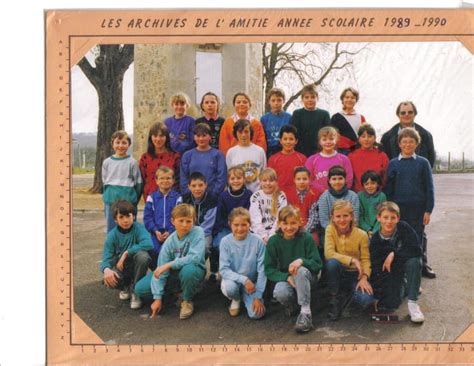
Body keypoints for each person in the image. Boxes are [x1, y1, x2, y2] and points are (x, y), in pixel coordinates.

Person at [134, 204, 206, 320]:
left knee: (189, 270)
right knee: (140, 289)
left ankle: (187, 300)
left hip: (193, 269)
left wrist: (169, 264)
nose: (184, 225)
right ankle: (176, 292)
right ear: (173, 221)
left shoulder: (198, 232)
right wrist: (157, 298)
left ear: (194, 221)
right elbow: (161, 270)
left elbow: (195, 258)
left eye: (188, 221)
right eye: (181, 221)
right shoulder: (169, 241)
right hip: (173, 273)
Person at [385, 127, 435, 279]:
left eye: (411, 142)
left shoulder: (423, 163)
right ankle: (401, 276)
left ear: (416, 144)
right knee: (399, 241)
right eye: (404, 141)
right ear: (399, 144)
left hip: (418, 211)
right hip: (398, 211)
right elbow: (389, 189)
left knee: (416, 242)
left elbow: (429, 188)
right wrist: (388, 210)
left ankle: (416, 277)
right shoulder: (393, 163)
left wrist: (428, 210)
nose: (407, 145)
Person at [264, 206, 323, 333]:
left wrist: (302, 260)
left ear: (300, 222)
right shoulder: (274, 241)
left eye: (293, 223)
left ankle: (306, 313)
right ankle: (293, 304)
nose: (289, 227)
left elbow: (317, 264)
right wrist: (286, 277)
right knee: (280, 292)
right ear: (279, 223)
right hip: (287, 278)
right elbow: (269, 269)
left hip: (307, 277)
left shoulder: (306, 237)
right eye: (285, 223)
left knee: (300, 270)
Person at [370, 202, 425, 323]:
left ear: (398, 218)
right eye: (385, 217)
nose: (389, 221)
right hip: (392, 273)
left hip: (405, 264)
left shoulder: (404, 227)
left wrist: (394, 253)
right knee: (391, 303)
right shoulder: (375, 240)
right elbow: (376, 267)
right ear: (378, 218)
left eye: (393, 218)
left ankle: (413, 304)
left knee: (414, 261)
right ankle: (410, 285)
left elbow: (417, 249)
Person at [325, 200, 374, 320]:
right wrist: (352, 260)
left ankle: (349, 293)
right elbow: (329, 253)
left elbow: (366, 259)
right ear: (333, 217)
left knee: (365, 300)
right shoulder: (330, 229)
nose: (342, 219)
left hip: (355, 274)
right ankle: (334, 299)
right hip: (339, 271)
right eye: (338, 216)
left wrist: (364, 278)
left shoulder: (362, 234)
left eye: (345, 216)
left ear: (352, 216)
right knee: (332, 263)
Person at [99, 200, 153, 310]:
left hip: (136, 265)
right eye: (121, 217)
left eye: (128, 216)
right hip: (122, 268)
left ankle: (136, 292)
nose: (125, 220)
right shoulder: (112, 235)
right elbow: (106, 258)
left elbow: (148, 243)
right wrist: (106, 270)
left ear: (133, 216)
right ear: (115, 219)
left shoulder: (139, 228)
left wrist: (127, 252)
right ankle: (125, 287)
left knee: (143, 256)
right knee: (108, 279)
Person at [219, 208, 267, 319]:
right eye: (236, 225)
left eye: (244, 224)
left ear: (249, 224)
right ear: (229, 224)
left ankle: (248, 296)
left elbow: (262, 270)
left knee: (257, 314)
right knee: (231, 288)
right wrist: (244, 280)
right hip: (234, 280)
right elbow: (224, 270)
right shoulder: (225, 242)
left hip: (252, 283)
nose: (240, 229)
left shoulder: (258, 241)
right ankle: (236, 299)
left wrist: (258, 296)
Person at [212, 167, 253, 280]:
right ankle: (223, 270)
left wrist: (241, 228)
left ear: (244, 179)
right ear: (228, 180)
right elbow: (220, 217)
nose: (236, 181)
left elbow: (250, 215)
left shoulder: (249, 195)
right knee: (218, 243)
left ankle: (240, 270)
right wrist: (231, 228)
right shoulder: (223, 196)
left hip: (244, 227)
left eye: (239, 178)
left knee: (243, 246)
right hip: (227, 227)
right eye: (233, 178)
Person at [102, 130, 142, 232]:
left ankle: (129, 248)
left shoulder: (132, 163)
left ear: (129, 144)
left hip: (128, 202)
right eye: (117, 142)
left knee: (129, 229)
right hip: (111, 201)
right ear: (112, 144)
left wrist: (133, 200)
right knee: (112, 230)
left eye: (124, 143)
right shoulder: (107, 162)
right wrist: (107, 197)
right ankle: (112, 248)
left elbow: (138, 183)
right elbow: (105, 181)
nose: (121, 145)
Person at [143, 166, 181, 269]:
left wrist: (171, 231)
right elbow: (147, 218)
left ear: (173, 181)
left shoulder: (178, 198)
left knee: (173, 251)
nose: (165, 181)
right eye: (161, 178)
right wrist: (155, 230)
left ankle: (172, 273)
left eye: (168, 178)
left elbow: (179, 217)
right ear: (156, 180)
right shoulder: (152, 197)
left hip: (173, 233)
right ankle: (157, 273)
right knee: (153, 250)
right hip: (155, 233)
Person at [381, 101, 435, 168]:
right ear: (398, 115)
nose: (406, 114)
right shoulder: (387, 137)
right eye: (403, 113)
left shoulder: (426, 136)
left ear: (415, 114)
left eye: (410, 112)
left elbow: (430, 162)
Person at [177, 172, 217, 262]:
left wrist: (196, 236)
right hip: (186, 231)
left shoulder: (211, 200)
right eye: (194, 186)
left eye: (200, 185)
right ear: (189, 186)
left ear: (205, 185)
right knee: (183, 247)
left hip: (205, 233)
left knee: (205, 247)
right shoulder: (184, 199)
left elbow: (208, 224)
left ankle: (199, 266)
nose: (197, 189)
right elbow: (180, 218)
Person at [180, 123, 227, 197]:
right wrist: (189, 194)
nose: (201, 139)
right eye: (198, 136)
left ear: (210, 137)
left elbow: (221, 177)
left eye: (204, 135)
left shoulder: (218, 155)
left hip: (212, 198)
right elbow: (183, 177)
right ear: (194, 137)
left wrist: (213, 194)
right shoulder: (187, 155)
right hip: (192, 197)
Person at [139, 122, 180, 201]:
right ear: (150, 138)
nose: (158, 139)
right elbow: (142, 180)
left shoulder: (175, 157)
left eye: (161, 136)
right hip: (151, 199)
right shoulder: (145, 158)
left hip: (171, 199)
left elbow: (178, 180)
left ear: (166, 137)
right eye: (155, 136)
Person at [305, 126, 353, 194]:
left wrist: (338, 192)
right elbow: (308, 179)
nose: (328, 142)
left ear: (336, 140)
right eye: (324, 139)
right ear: (319, 142)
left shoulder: (344, 159)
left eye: (331, 139)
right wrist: (323, 191)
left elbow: (349, 179)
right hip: (318, 197)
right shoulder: (312, 160)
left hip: (340, 196)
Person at [226, 119, 267, 192]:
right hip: (238, 194)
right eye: (240, 132)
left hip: (256, 194)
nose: (243, 135)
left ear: (251, 133)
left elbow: (264, 174)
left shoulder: (260, 151)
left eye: (246, 131)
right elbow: (229, 175)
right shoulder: (231, 152)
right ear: (235, 133)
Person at [290, 84, 330, 157]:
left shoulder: (324, 114)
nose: (310, 100)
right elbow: (294, 134)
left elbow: (327, 135)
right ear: (302, 99)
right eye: (306, 97)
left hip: (319, 151)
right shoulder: (297, 114)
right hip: (301, 152)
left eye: (312, 97)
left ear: (317, 98)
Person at [249, 168, 288, 243]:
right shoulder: (256, 196)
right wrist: (263, 236)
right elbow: (255, 219)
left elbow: (280, 218)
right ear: (260, 182)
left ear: (276, 182)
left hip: (276, 232)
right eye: (264, 180)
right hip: (258, 233)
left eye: (271, 180)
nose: (268, 183)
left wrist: (271, 236)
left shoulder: (281, 196)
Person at [317, 165, 360, 232]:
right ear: (329, 181)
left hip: (350, 231)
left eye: (340, 178)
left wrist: (346, 231)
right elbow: (324, 221)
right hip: (331, 232)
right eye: (334, 179)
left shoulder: (353, 196)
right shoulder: (324, 197)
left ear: (345, 180)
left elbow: (355, 218)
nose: (337, 182)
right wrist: (337, 232)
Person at [285, 166, 322, 243]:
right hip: (292, 227)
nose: (301, 182)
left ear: (309, 180)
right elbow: (288, 215)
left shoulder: (314, 194)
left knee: (313, 239)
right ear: (294, 180)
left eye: (305, 179)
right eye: (298, 179)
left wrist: (303, 232)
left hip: (310, 229)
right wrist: (294, 230)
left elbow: (314, 217)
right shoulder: (288, 195)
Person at [348, 124, 389, 192]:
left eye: (369, 136)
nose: (366, 139)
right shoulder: (351, 156)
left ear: (375, 138)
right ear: (359, 139)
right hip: (358, 195)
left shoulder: (382, 156)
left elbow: (385, 177)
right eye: (363, 136)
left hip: (377, 195)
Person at [268, 124, 307, 195]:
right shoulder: (273, 159)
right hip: (278, 196)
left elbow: (306, 180)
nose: (288, 142)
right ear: (280, 141)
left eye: (291, 139)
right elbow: (270, 180)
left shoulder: (302, 159)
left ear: (296, 141)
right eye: (285, 139)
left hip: (297, 196)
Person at [330, 87, 366, 155]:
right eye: (347, 97)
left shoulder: (361, 118)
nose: (349, 99)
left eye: (352, 98)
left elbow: (364, 136)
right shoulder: (335, 117)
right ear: (342, 99)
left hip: (357, 150)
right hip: (340, 151)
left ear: (356, 100)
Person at [260, 88, 292, 158]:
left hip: (285, 149)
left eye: (279, 100)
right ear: (269, 101)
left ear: (283, 101)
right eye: (273, 100)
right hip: (269, 151)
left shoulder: (289, 117)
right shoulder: (264, 119)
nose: (276, 103)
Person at [358, 170, 387, 237]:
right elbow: (360, 215)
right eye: (366, 184)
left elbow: (382, 215)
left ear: (378, 184)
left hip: (379, 229)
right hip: (363, 230)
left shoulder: (382, 196)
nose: (370, 186)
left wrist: (375, 231)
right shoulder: (359, 196)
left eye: (373, 183)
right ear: (363, 185)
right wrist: (367, 229)